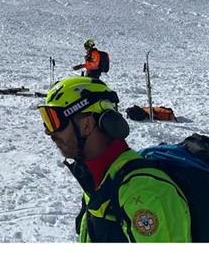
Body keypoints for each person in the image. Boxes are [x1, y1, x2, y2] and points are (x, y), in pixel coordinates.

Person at [38, 76, 191, 242]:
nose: (49, 132)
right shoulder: (98, 181)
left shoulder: (145, 193)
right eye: (46, 120)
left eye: (53, 120)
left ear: (86, 125)